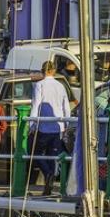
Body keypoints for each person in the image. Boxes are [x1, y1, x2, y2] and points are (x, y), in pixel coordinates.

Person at [29, 61, 70, 196]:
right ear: (53, 71)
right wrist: (66, 124)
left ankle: (47, 175)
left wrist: (32, 124)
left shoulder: (39, 85)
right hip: (58, 126)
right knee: (53, 155)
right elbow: (66, 107)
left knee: (36, 153)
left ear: (43, 71)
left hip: (44, 126)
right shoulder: (61, 86)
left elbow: (36, 105)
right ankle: (49, 184)